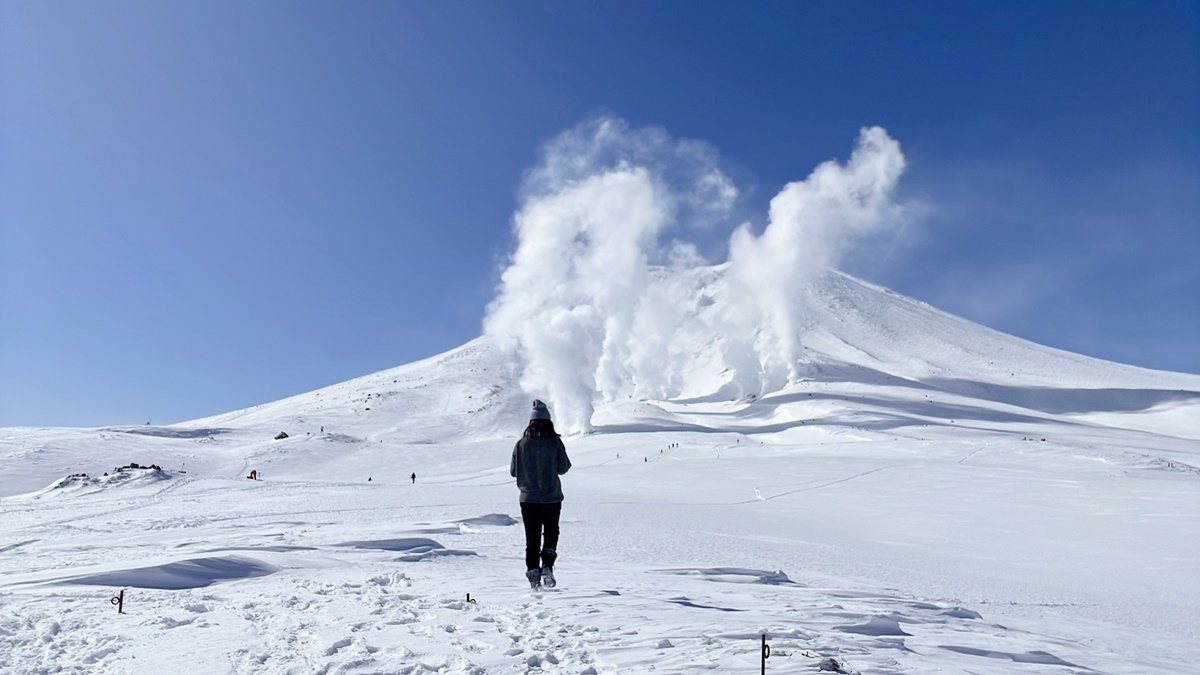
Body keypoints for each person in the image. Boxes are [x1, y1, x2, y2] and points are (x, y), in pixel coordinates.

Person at [510, 399, 571, 589]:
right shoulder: (555, 442)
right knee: (551, 533)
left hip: (528, 499)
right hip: (551, 497)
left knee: (532, 537)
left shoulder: (521, 444)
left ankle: (533, 572)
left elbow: (513, 471)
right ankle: (547, 565)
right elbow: (563, 468)